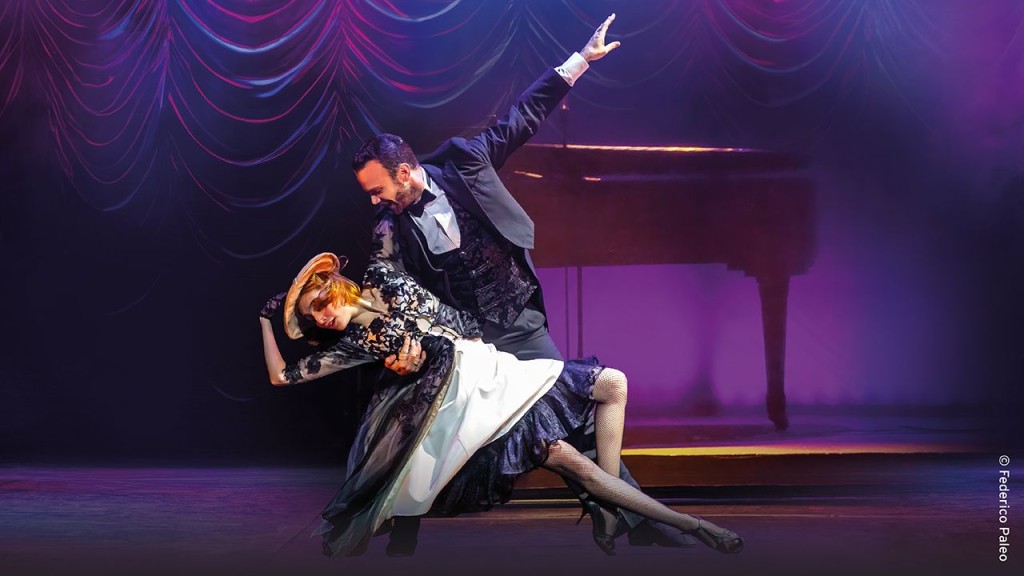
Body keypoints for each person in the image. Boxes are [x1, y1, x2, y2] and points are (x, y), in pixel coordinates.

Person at [350, 13, 692, 553]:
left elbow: (523, 117)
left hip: (519, 320)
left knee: (571, 421)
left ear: (406, 171)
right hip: (466, 338)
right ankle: (402, 538)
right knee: (423, 417)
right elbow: (390, 287)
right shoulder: (389, 226)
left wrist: (580, 61)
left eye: (378, 189)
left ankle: (640, 523)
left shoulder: (466, 161)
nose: (375, 200)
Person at [258, 252, 744, 558]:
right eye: (312, 317)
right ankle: (697, 526)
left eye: (319, 304)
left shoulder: (380, 273)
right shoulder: (355, 343)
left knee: (613, 383)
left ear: (333, 285)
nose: (321, 317)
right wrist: (266, 320)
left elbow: (394, 222)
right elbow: (282, 376)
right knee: (572, 460)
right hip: (461, 403)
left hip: (489, 366)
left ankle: (608, 506)